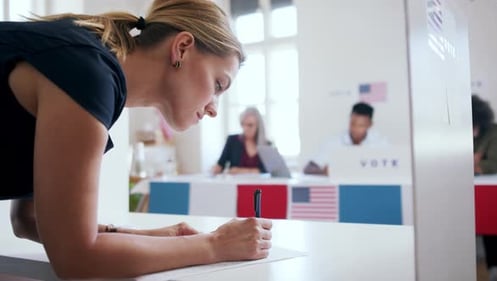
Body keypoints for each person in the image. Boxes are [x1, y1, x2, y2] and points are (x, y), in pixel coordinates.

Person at [1, 0, 272, 279]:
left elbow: (28, 220)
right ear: (182, 48)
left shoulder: (90, 67)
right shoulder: (88, 74)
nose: (214, 107)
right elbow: (76, 259)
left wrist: (153, 238)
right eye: (218, 84)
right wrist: (216, 244)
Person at [303, 101, 388, 175]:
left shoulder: (381, 143)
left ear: (370, 124)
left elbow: (392, 168)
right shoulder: (334, 142)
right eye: (352, 124)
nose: (355, 129)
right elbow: (308, 168)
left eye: (361, 125)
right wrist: (324, 171)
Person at [471, 94, 497, 281]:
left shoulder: (495, 133)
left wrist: (476, 165)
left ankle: (494, 268)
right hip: (465, 190)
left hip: (491, 192)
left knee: (491, 228)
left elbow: (494, 163)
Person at [211, 106, 271, 175]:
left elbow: (269, 171)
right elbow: (221, 164)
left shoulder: (268, 145)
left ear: (258, 126)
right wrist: (215, 169)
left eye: (250, 125)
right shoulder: (232, 140)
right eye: (243, 124)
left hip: (259, 185)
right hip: (234, 184)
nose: (245, 129)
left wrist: (240, 171)